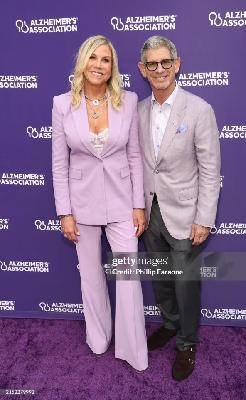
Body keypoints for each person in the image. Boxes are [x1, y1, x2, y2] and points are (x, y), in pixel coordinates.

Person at [52, 35, 148, 371]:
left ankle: (132, 348)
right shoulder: (62, 104)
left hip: (123, 202)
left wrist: (138, 205)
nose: (98, 65)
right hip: (81, 203)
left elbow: (135, 156)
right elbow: (58, 163)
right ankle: (98, 338)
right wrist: (64, 211)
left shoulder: (129, 100)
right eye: (93, 58)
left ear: (112, 67)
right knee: (91, 275)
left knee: (127, 275)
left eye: (105, 60)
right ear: (82, 62)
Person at [138, 36, 221, 380]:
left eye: (165, 63)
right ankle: (171, 324)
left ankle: (187, 343)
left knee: (186, 283)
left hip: (186, 214)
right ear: (142, 70)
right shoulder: (138, 110)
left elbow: (210, 168)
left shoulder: (199, 109)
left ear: (177, 64)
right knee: (160, 278)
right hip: (149, 211)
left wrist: (204, 218)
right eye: (152, 64)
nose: (160, 69)